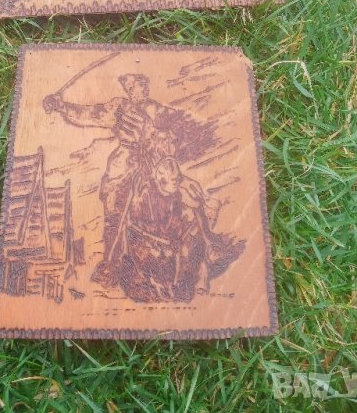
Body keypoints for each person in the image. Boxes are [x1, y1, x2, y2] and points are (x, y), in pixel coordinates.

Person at [43, 73, 245, 302]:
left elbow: (177, 132)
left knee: (190, 193)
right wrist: (61, 106)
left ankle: (208, 245)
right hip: (126, 163)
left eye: (144, 86)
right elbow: (89, 115)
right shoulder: (118, 108)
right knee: (114, 205)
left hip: (156, 161)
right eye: (136, 87)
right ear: (128, 90)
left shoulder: (158, 111)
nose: (142, 90)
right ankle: (111, 264)